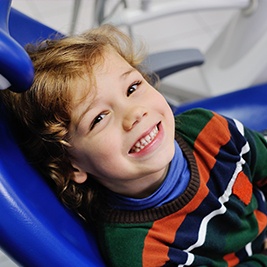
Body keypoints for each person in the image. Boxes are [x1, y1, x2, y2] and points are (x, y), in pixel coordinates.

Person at [1, 24, 267, 267]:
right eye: (99, 118)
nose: (134, 114)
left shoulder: (212, 130)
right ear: (73, 166)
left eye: (132, 88)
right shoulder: (139, 251)